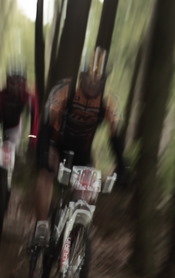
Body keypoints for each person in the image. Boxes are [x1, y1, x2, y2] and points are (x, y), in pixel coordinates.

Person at [33, 47, 127, 234]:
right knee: (46, 173)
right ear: (81, 77)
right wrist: (42, 153)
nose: (92, 85)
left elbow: (114, 138)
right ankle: (42, 226)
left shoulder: (107, 103)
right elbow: (45, 126)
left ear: (103, 82)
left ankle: (74, 239)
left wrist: (122, 166)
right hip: (56, 145)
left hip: (82, 153)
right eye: (88, 79)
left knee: (87, 197)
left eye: (97, 81)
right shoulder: (64, 92)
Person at [0, 66, 40, 199]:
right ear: (7, 81)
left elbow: (35, 120)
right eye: (12, 81)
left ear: (24, 83)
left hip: (13, 125)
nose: (15, 86)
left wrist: (33, 141)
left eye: (19, 82)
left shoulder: (29, 97)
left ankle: (6, 179)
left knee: (12, 150)